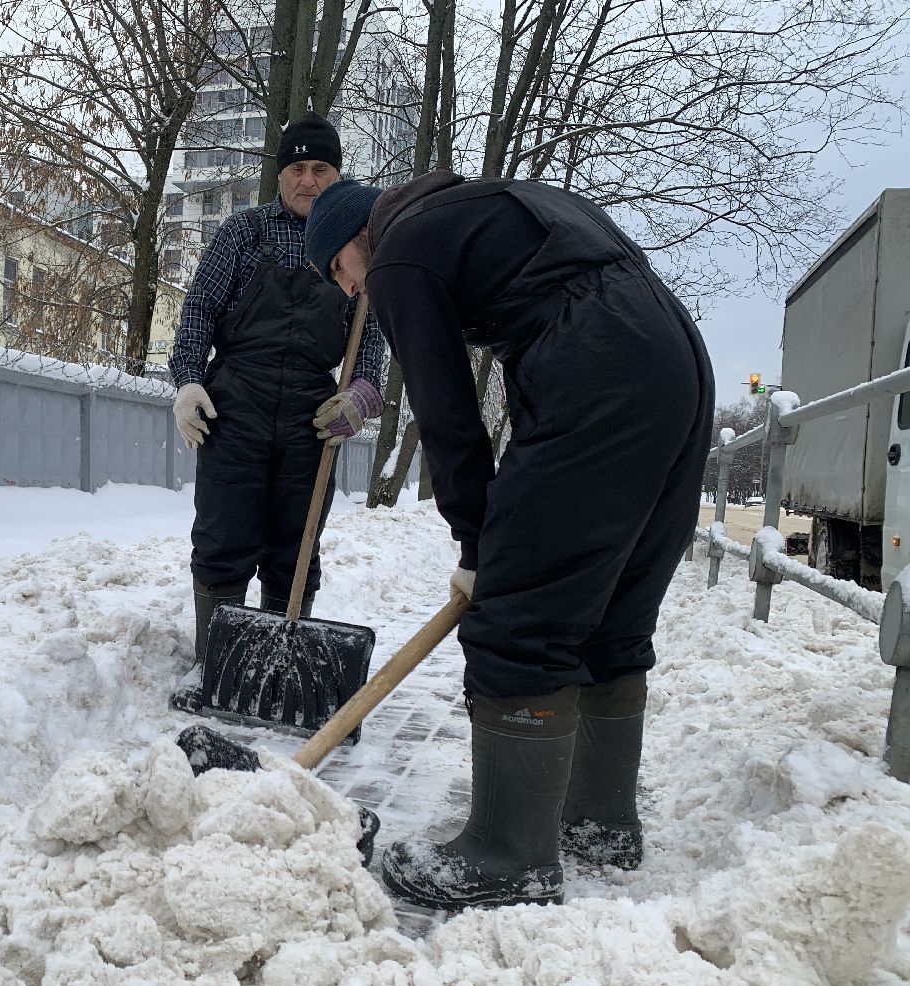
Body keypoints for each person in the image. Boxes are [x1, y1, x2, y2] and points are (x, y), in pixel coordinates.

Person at [303, 171, 714, 909]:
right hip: (674, 360)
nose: (348, 290)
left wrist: (478, 546)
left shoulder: (398, 253)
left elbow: (447, 413)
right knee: (607, 611)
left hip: (598, 367)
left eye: (338, 269)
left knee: (518, 616)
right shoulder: (483, 204)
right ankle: (599, 824)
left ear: (355, 239)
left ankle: (506, 856)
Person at [166, 112, 387, 714]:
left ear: (336, 175)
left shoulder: (358, 248)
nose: (308, 181)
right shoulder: (245, 233)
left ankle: (279, 663)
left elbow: (372, 345)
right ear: (281, 174)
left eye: (321, 169)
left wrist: (360, 397)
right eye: (297, 168)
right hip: (236, 404)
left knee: (297, 542)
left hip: (309, 417)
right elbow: (200, 314)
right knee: (223, 535)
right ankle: (215, 663)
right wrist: (187, 381)